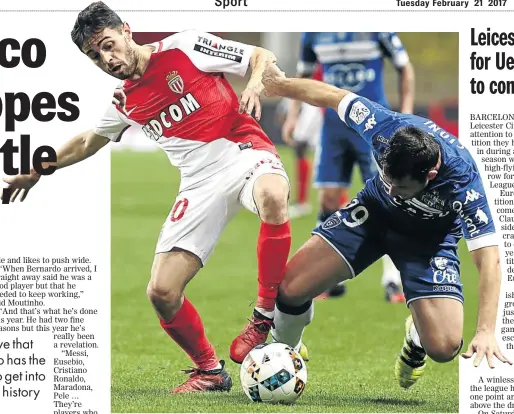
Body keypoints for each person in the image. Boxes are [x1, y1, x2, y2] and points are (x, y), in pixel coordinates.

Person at [2, 2, 293, 393]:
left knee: (273, 195)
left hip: (243, 152)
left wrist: (255, 83)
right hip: (197, 183)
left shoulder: (185, 46)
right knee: (161, 291)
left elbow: (260, 55)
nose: (107, 58)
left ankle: (263, 315)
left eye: (108, 45)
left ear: (126, 30)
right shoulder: (124, 100)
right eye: (95, 55)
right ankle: (209, 370)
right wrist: (38, 170)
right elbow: (88, 141)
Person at [261, 62, 512, 389]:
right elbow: (332, 95)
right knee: (291, 289)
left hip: (427, 243)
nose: (393, 190)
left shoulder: (464, 184)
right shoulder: (384, 125)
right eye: (387, 179)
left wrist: (485, 331)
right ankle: (285, 351)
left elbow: (489, 259)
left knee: (445, 346)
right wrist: (282, 86)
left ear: (430, 177)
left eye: (401, 187)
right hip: (373, 214)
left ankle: (416, 336)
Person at [283, 32, 416, 302]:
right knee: (328, 199)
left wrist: (406, 114)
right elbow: (302, 76)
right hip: (333, 129)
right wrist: (293, 115)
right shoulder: (314, 32)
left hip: (374, 129)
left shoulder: (376, 26)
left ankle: (393, 280)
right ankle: (327, 280)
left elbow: (405, 68)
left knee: (388, 201)